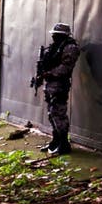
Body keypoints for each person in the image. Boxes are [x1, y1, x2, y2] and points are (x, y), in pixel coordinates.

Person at [38, 23, 80, 155]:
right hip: (50, 84)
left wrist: (50, 73)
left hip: (59, 84)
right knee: (52, 113)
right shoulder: (55, 47)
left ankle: (64, 144)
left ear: (63, 35)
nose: (53, 36)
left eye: (56, 35)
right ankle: (56, 140)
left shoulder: (70, 47)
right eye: (53, 34)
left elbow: (66, 67)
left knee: (59, 114)